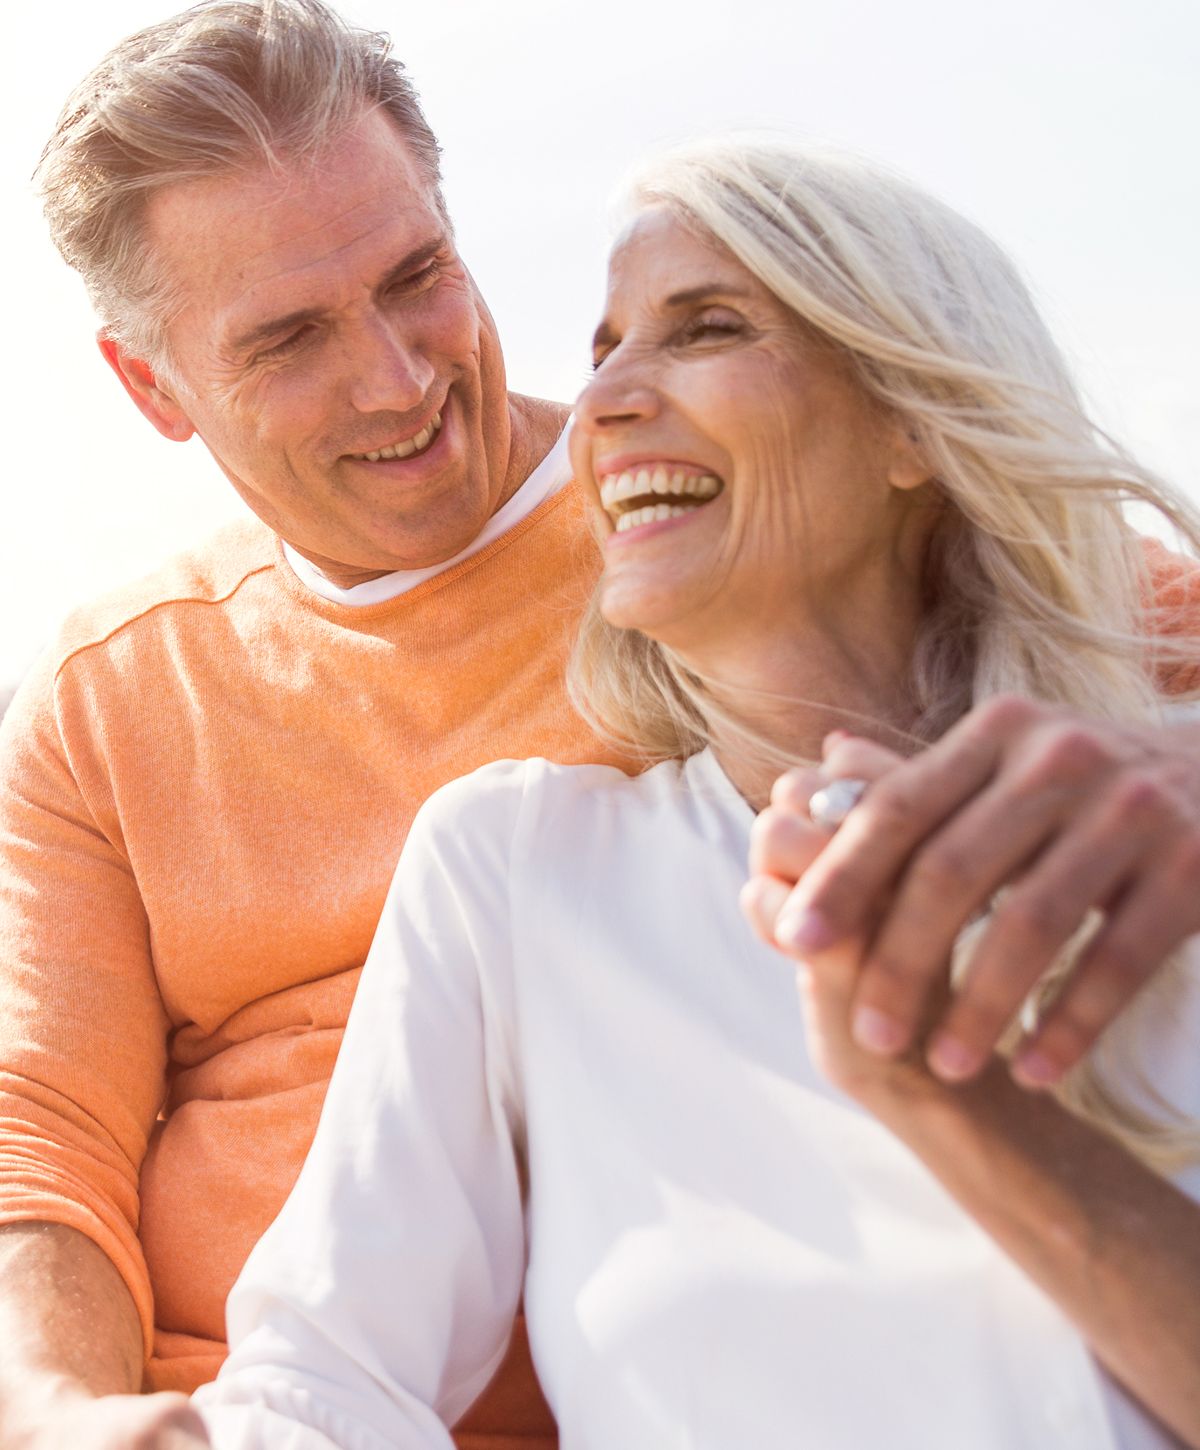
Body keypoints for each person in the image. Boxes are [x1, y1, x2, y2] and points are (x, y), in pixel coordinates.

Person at [2, 2, 1197, 1445]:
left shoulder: (719, 515)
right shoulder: (116, 701)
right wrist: (61, 1416)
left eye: (418, 276)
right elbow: (39, 1140)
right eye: (289, 340)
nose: (398, 379)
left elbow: (1057, 612)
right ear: (154, 386)